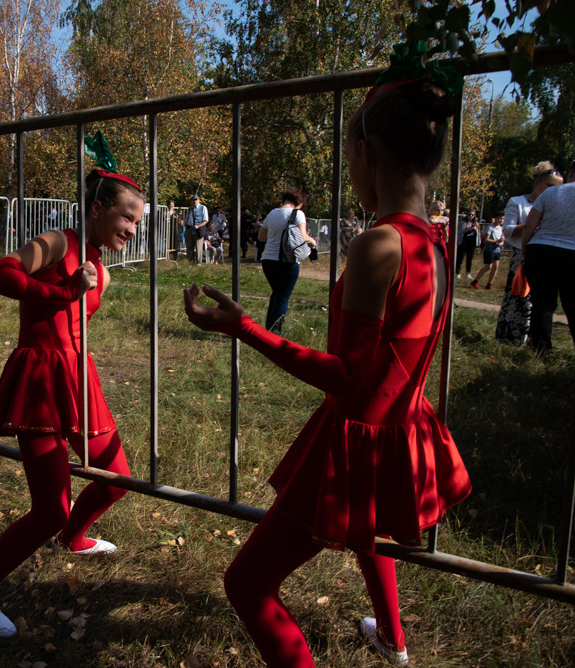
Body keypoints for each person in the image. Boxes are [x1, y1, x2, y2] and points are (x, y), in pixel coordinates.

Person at [184, 69, 472, 667]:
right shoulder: (437, 245)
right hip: (405, 429)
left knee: (247, 584)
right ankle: (394, 640)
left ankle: (386, 640)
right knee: (375, 533)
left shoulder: (378, 244)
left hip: (356, 440)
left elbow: (346, 378)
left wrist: (245, 327)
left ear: (364, 154)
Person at [0, 169, 144, 638]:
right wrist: (64, 292)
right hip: (40, 379)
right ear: (98, 209)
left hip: (79, 379)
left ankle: (73, 538)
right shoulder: (59, 242)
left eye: (138, 222)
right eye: (127, 217)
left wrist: (79, 290)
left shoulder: (100, 264)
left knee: (116, 481)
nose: (132, 229)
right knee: (49, 508)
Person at [495, 162, 563, 345]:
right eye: (549, 185)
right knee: (518, 298)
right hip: (521, 255)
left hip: (544, 256)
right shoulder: (517, 202)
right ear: (537, 182)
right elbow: (507, 230)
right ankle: (510, 338)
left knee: (540, 301)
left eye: (557, 187)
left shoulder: (555, 206)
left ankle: (533, 339)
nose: (552, 190)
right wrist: (529, 225)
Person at [521, 159, 575, 352]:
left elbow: (530, 225)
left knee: (542, 305)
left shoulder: (551, 192)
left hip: (541, 251)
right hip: (572, 254)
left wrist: (526, 250)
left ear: (570, 173)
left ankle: (541, 349)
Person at [257, 188, 317, 334]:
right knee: (283, 297)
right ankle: (276, 331)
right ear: (299, 201)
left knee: (277, 294)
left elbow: (261, 237)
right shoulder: (298, 214)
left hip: (268, 260)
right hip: (288, 260)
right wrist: (313, 242)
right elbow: (303, 237)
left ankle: (269, 329)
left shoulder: (272, 213)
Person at [470, 214, 504, 289]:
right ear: (495, 218)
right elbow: (486, 239)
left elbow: (502, 239)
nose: (501, 220)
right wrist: (496, 241)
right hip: (489, 249)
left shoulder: (502, 228)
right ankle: (475, 281)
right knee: (488, 266)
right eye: (499, 218)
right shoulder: (490, 227)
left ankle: (489, 283)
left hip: (497, 250)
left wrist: (501, 243)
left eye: (502, 219)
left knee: (495, 267)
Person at [455, 209, 479, 279]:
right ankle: (457, 272)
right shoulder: (462, 223)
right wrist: (468, 229)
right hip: (464, 240)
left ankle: (468, 272)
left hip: (472, 241)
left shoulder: (476, 223)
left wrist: (474, 230)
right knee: (460, 257)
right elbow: (459, 232)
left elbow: (477, 234)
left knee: (470, 258)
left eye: (472, 215)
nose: (471, 216)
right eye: (469, 214)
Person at [185, 195, 209, 264]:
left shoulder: (203, 208)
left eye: (196, 199)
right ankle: (191, 261)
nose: (195, 201)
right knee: (189, 246)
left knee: (198, 247)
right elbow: (187, 219)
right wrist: (186, 228)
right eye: (193, 200)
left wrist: (198, 226)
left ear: (198, 200)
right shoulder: (190, 209)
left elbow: (205, 220)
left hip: (198, 230)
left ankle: (198, 262)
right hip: (190, 229)